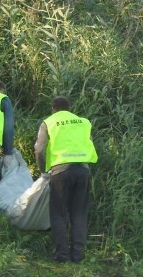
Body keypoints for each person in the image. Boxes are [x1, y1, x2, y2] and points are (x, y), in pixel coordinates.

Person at [34, 96, 98, 263]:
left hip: (60, 171)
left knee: (59, 214)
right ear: (69, 108)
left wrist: (43, 171)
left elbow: (39, 149)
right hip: (83, 170)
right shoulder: (83, 122)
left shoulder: (49, 122)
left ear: (53, 109)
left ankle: (62, 256)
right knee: (79, 213)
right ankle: (78, 255)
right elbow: (90, 142)